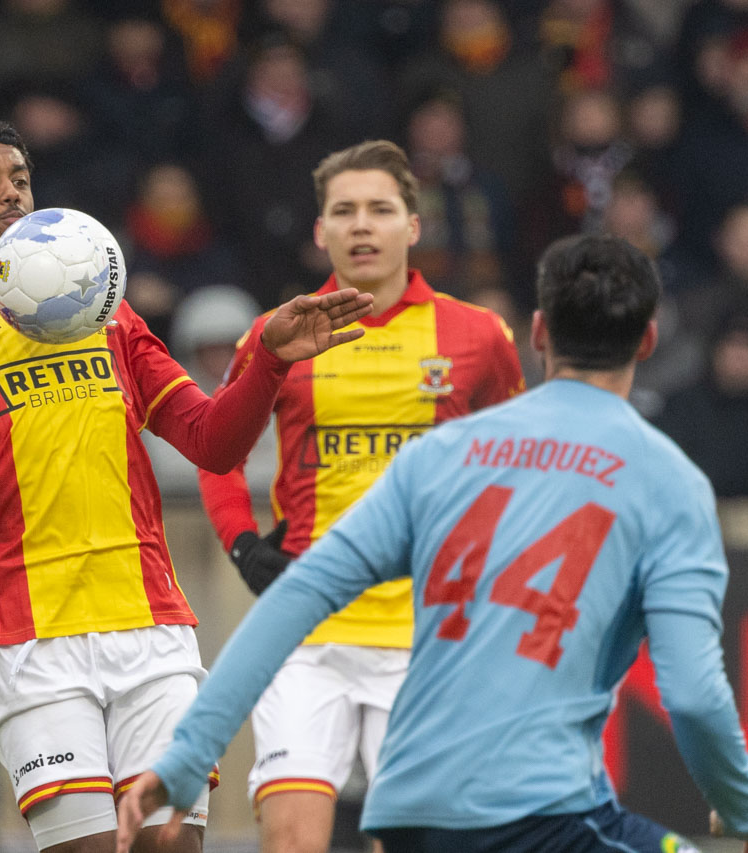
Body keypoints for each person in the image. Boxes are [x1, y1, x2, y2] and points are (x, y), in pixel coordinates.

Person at [119, 233, 748, 853]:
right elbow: (693, 693)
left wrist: (186, 757)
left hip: (408, 809)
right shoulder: (670, 481)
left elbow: (294, 600)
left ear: (538, 332)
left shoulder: (440, 455)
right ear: (648, 340)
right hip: (538, 810)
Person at [0, 115, 373, 853]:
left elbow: (212, 443)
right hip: (26, 635)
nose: (10, 193)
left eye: (20, 179)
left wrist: (269, 362)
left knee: (168, 844)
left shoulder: (108, 315)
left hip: (149, 623)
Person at [196, 138, 525, 853]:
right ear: (321, 231)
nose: (362, 225)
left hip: (428, 636)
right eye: (344, 211)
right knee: (291, 840)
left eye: (380, 208)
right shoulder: (278, 335)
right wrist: (243, 545)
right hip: (306, 630)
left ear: (414, 224)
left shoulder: (478, 336)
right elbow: (217, 453)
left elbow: (516, 463)